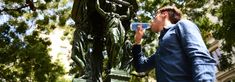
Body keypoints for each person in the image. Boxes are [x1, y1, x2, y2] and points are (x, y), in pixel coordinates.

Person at [132, 6, 216, 82]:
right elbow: (141, 66)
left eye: (155, 16)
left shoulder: (182, 25)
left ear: (164, 14)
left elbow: (200, 57)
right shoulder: (160, 50)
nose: (152, 20)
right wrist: (138, 42)